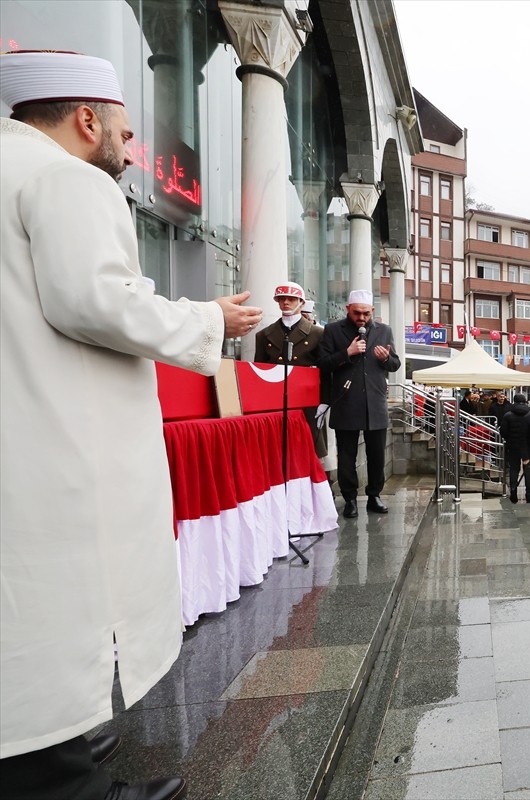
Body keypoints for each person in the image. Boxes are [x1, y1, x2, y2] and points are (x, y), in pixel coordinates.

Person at [0, 50, 262, 800]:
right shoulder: (66, 179)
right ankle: (59, 779)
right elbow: (100, 301)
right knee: (60, 606)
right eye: (121, 127)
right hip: (56, 444)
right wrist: (208, 316)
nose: (127, 143)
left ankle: (56, 742)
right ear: (87, 121)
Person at [317, 290, 400, 518]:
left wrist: (386, 359)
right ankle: (350, 499)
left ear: (372, 311)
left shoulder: (384, 331)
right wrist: (347, 352)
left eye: (366, 313)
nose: (361, 318)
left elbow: (395, 365)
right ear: (348, 310)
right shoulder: (333, 331)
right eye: (357, 313)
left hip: (375, 403)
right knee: (346, 456)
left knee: (376, 455)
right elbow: (323, 364)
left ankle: (374, 495)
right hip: (346, 402)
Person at [254, 282, 326, 457]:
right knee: (277, 451)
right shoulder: (264, 335)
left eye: (292, 299)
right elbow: (260, 371)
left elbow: (325, 370)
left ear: (301, 303)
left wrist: (325, 400)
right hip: (276, 398)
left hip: (306, 399)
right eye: (282, 299)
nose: (286, 302)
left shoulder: (317, 333)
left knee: (308, 450)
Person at [499, 394, 530, 503]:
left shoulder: (508, 415)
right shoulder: (529, 414)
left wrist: (509, 438)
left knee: (514, 469)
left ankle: (513, 490)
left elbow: (503, 432)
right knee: (528, 468)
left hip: (512, 445)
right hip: (527, 446)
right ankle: (529, 492)